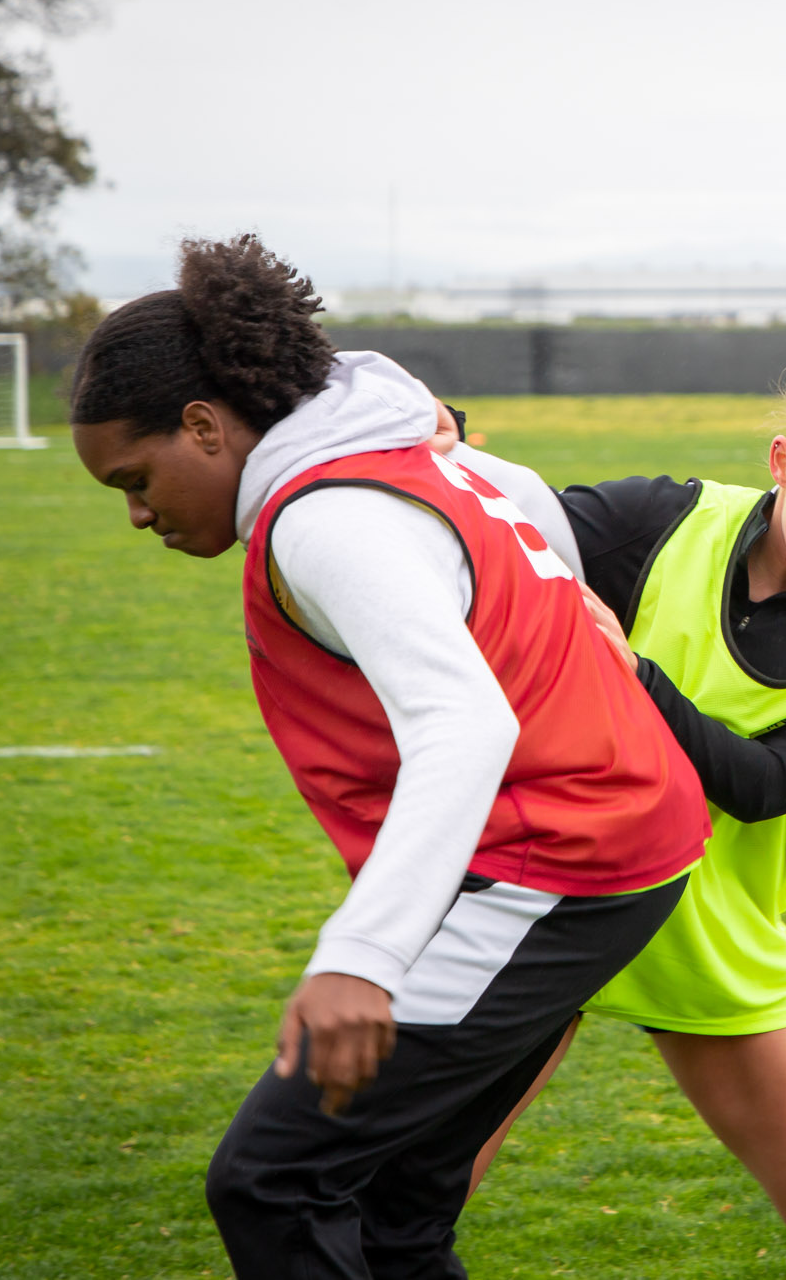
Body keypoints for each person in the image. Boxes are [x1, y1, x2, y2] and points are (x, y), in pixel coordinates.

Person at [66, 235, 711, 1277]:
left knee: (270, 1182)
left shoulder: (322, 520)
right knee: (393, 1207)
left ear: (202, 425)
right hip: (613, 844)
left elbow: (467, 724)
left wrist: (359, 958)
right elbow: (537, 512)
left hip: (558, 863)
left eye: (135, 480)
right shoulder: (404, 458)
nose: (139, 514)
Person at [452, 351, 786, 1280]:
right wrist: (438, 439)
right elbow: (512, 520)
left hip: (713, 937)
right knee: (409, 1200)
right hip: (555, 901)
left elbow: (764, 783)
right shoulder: (669, 517)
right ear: (782, 462)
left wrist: (632, 673)